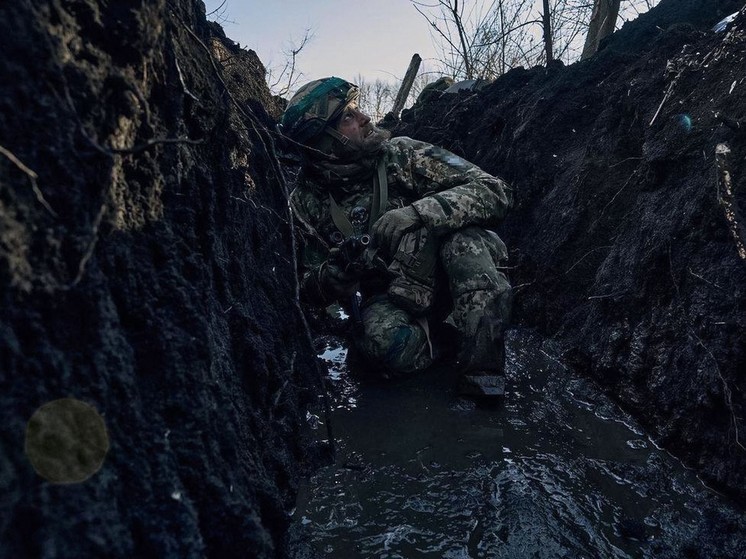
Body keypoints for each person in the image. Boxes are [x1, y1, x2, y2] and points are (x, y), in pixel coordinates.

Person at [281, 76, 513, 397]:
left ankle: (483, 374)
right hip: (394, 299)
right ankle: (448, 337)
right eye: (347, 116)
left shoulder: (401, 156)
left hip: (450, 275)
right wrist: (331, 278)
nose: (364, 118)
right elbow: (300, 289)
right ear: (323, 142)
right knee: (377, 346)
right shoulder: (305, 202)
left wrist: (420, 212)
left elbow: (494, 191)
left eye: (357, 108)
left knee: (466, 244)